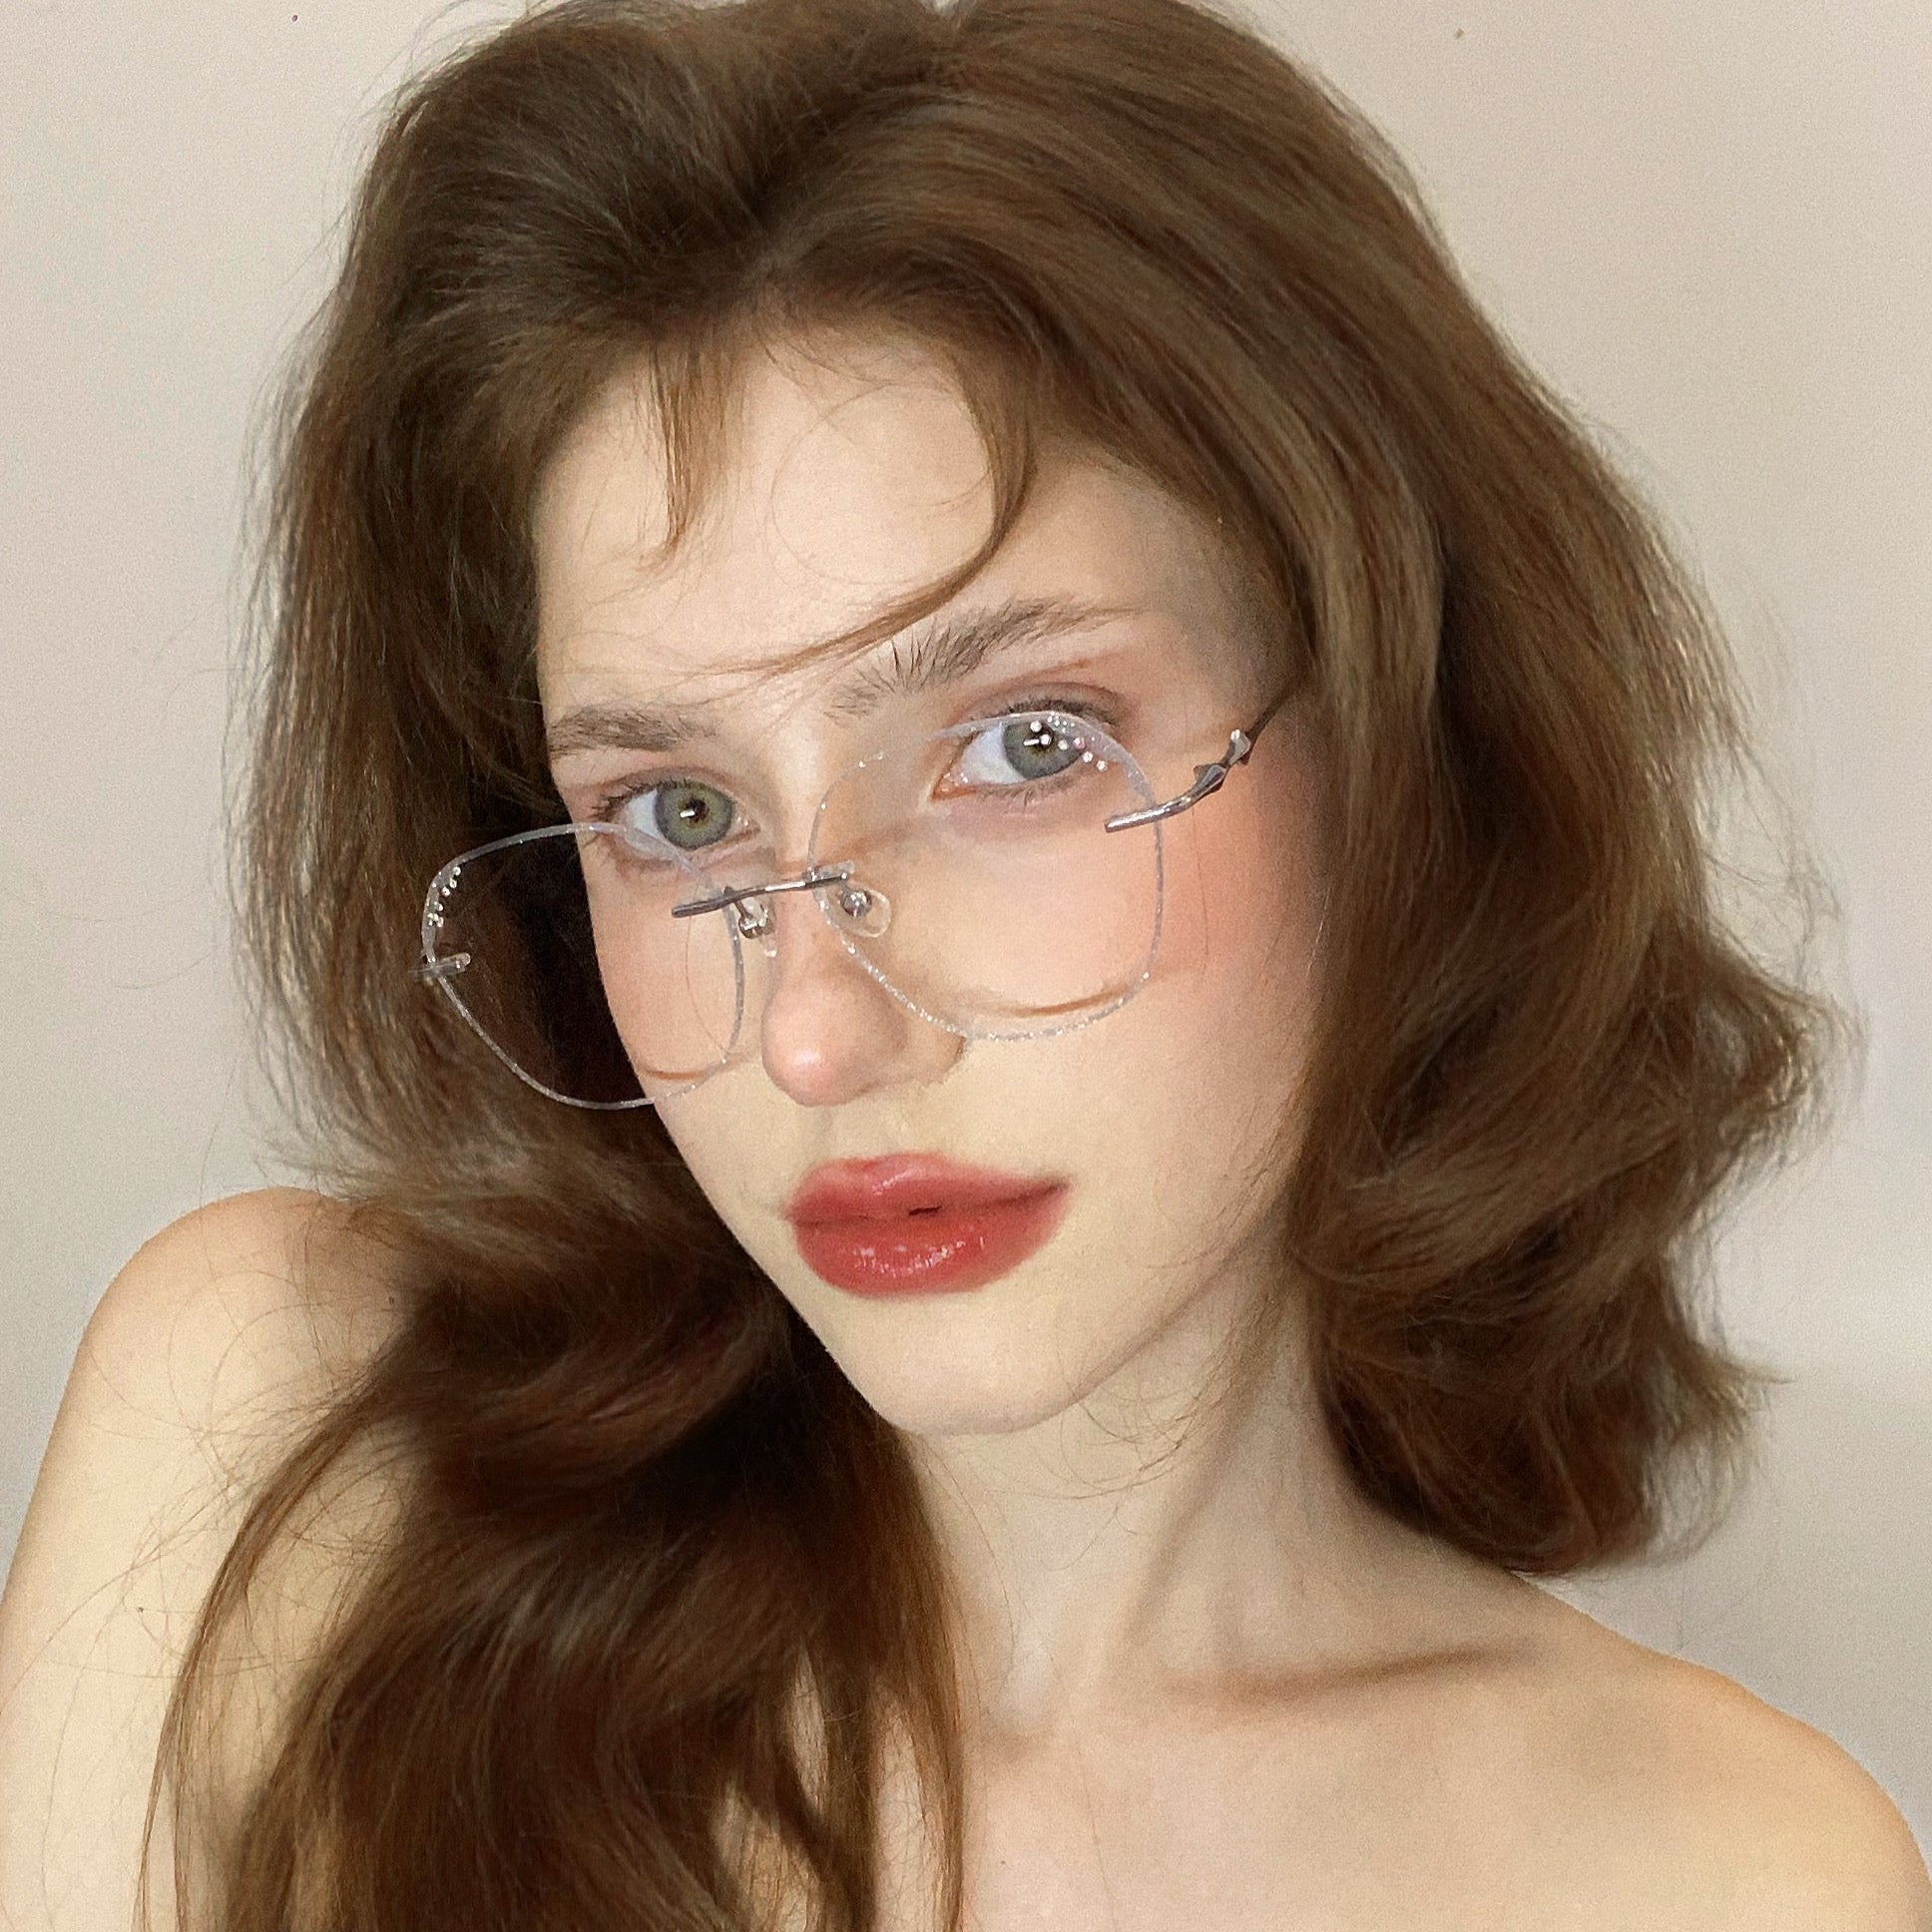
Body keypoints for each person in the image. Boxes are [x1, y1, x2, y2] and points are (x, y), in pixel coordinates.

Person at [2, 0, 1925, 1925]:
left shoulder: (1718, 1875)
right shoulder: (279, 1457)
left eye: (1024, 747)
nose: (819, 1032)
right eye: (680, 811)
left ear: (1403, 751)